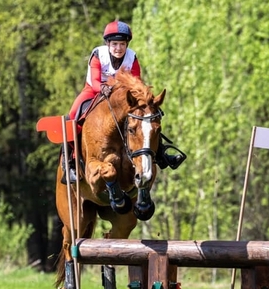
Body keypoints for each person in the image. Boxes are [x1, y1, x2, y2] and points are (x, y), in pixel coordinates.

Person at [61, 20, 185, 184]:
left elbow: (137, 82)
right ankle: (69, 160)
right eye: (115, 44)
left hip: (121, 97)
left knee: (147, 117)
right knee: (72, 115)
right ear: (108, 43)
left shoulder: (132, 57)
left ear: (126, 44)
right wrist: (103, 88)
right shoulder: (98, 54)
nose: (118, 48)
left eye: (122, 44)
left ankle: (161, 154)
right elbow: (94, 80)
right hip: (95, 90)